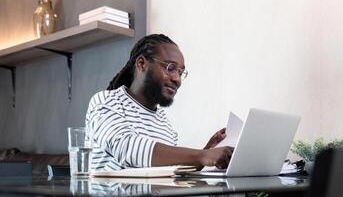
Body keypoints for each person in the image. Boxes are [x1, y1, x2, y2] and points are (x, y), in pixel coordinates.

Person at [85, 34, 234, 171]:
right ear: (142, 64)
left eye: (181, 72)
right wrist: (201, 155)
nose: (177, 79)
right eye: (170, 68)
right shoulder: (105, 101)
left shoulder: (164, 123)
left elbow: (171, 170)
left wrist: (207, 151)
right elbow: (127, 149)